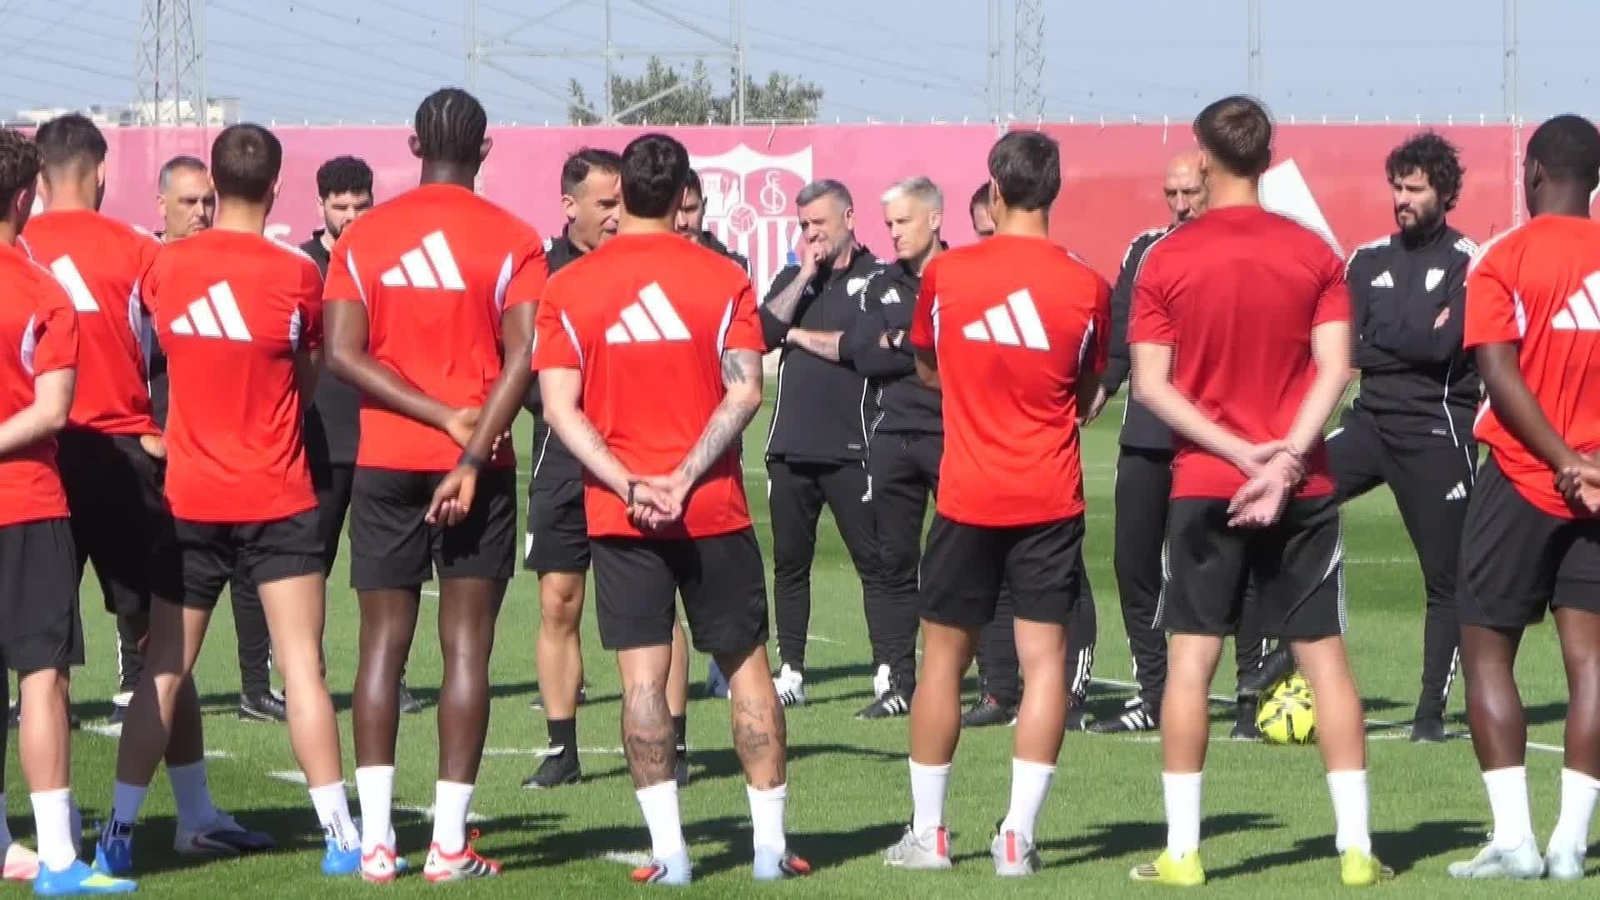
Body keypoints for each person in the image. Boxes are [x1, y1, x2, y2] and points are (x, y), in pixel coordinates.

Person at [429, 131, 809, 887]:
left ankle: (669, 855)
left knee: (642, 681)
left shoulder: (573, 285)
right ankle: (770, 852)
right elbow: (745, 390)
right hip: (713, 508)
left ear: (623, 194)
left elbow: (561, 411)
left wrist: (632, 482)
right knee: (747, 672)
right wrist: (682, 476)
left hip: (619, 512)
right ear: (679, 197)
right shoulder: (723, 276)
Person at [1126, 95, 1388, 887]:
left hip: (1207, 485)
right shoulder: (1313, 253)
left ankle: (1184, 851)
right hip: (1301, 484)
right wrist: (1281, 464)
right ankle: (1354, 849)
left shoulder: (1166, 258)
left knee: (1190, 666)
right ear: (1267, 158)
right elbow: (1336, 369)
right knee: (1327, 667)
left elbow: (1151, 388)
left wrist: (1243, 456)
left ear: (1204, 159)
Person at [95, 123, 362, 880]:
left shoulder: (164, 267)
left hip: (189, 496)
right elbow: (307, 378)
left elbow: (142, 351)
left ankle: (115, 832)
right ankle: (341, 837)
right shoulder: (297, 273)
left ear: (213, 187)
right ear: (277, 187)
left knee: (164, 671)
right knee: (303, 667)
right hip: (277, 493)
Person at [25, 113, 273, 864]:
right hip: (127, 459)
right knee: (160, 644)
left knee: (36, 657)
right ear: (100, 173)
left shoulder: (18, 250)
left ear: (39, 181)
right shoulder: (139, 253)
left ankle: (34, 833)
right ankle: (193, 811)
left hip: (36, 460)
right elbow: (195, 346)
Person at [324, 87, 545, 883]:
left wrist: (434, 417)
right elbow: (525, 357)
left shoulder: (365, 235)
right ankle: (448, 845)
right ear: (485, 150)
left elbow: (342, 354)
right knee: (467, 650)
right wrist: (471, 446)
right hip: (480, 469)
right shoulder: (515, 238)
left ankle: (378, 842)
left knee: (382, 646)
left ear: (413, 143)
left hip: (384, 458)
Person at [884, 131, 1108, 877]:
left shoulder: (947, 273)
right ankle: (1018, 835)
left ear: (995, 190)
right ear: (1055, 190)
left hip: (968, 493)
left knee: (943, 660)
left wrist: (978, 393)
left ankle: (929, 833)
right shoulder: (1086, 285)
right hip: (1048, 494)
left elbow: (925, 365)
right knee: (1045, 663)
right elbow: (1085, 394)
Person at [1447, 113, 1600, 881]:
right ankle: (1572, 844)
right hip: (1598, 488)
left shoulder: (1503, 255)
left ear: (1534, 170)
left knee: (1485, 651)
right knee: (1592, 662)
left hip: (1521, 477)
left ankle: (1515, 839)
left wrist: (1563, 457)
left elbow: (1497, 373)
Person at [523, 147, 692, 791]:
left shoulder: (648, 267)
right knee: (558, 602)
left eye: (620, 202)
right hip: (563, 461)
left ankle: (671, 744)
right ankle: (562, 748)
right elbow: (535, 379)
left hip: (645, 461)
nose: (617, 215)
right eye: (604, 204)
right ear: (570, 206)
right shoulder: (545, 274)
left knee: (658, 605)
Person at [1089, 149, 1269, 738]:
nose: (1181, 204)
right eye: (1172, 193)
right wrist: (1099, 390)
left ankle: (1250, 696)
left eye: (1191, 191)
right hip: (1148, 432)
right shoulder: (1145, 250)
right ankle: (1155, 691)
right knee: (1133, 563)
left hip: (1221, 436)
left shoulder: (1243, 250)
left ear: (1214, 186)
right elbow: (1121, 332)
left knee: (1229, 566)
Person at [0, 126, 137, 896]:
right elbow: (53, 411)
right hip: (24, 502)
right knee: (42, 678)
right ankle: (57, 859)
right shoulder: (41, 291)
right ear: (26, 197)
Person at [1330, 132, 1478, 744]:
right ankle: (1270, 671)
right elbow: (1349, 349)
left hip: (1436, 433)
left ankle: (1429, 716)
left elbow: (1446, 346)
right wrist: (1409, 336)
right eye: (1397, 186)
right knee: (1286, 499)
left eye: (1414, 188)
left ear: (1444, 192)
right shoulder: (1366, 260)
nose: (1402, 199)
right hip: (1369, 425)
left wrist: (1385, 341)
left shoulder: (1471, 258)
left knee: (1448, 581)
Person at [957, 185, 1099, 733]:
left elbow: (1092, 383)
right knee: (985, 592)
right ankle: (997, 690)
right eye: (981, 233)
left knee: (1064, 593)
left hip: (1044, 480)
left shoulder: (1071, 282)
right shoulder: (961, 279)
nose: (989, 241)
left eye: (991, 228)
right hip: (978, 476)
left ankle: (1070, 691)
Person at [146, 155, 283, 725]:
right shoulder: (150, 269)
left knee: (253, 579)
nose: (201, 211)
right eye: (188, 202)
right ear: (162, 207)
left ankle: (256, 686)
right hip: (163, 448)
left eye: (208, 200)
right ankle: (139, 683)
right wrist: (144, 431)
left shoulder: (238, 266)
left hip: (235, 454)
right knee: (155, 589)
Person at [759, 179, 892, 708]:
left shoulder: (879, 280)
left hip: (852, 448)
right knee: (790, 563)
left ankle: (887, 668)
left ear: (850, 217)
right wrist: (807, 275)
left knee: (874, 563)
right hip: (790, 446)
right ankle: (791, 670)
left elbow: (855, 349)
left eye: (819, 223)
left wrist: (794, 337)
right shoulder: (794, 278)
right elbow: (763, 331)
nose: (811, 234)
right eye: (803, 225)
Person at [298, 156, 423, 717]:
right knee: (311, 565)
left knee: (385, 570)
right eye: (339, 205)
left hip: (382, 434)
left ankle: (389, 676)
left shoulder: (387, 258)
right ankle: (310, 676)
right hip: (322, 435)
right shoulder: (304, 265)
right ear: (320, 205)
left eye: (360, 204)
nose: (350, 215)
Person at [676, 169, 751, 273]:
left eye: (690, 210)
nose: (682, 222)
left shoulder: (735, 266)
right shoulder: (648, 264)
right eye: (673, 213)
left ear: (704, 206)